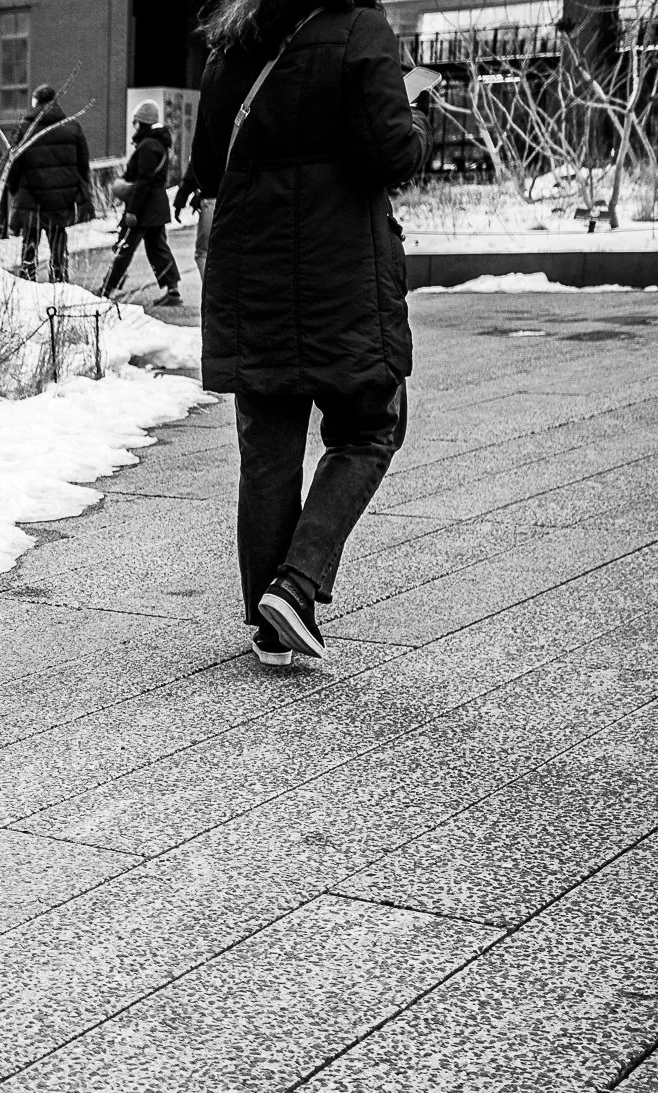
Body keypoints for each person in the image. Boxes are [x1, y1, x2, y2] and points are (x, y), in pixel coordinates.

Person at [192, 0, 429, 665]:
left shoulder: (228, 44)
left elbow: (210, 168)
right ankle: (295, 586)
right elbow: (389, 155)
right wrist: (417, 115)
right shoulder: (362, 30)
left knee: (267, 451)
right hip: (338, 272)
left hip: (252, 272)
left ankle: (271, 626)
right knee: (369, 428)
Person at [5, 85, 96, 284]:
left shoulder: (24, 127)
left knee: (30, 239)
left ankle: (28, 281)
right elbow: (83, 164)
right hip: (61, 197)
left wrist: (12, 187)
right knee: (58, 239)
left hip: (31, 196)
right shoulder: (72, 127)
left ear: (35, 101)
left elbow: (14, 163)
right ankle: (59, 280)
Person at [101, 100, 184, 306]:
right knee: (158, 248)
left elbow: (143, 181)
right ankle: (172, 290)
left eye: (136, 122)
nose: (134, 126)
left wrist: (132, 211)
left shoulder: (148, 146)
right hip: (156, 205)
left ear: (142, 123)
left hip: (144, 207)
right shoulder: (159, 144)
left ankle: (107, 289)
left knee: (125, 246)